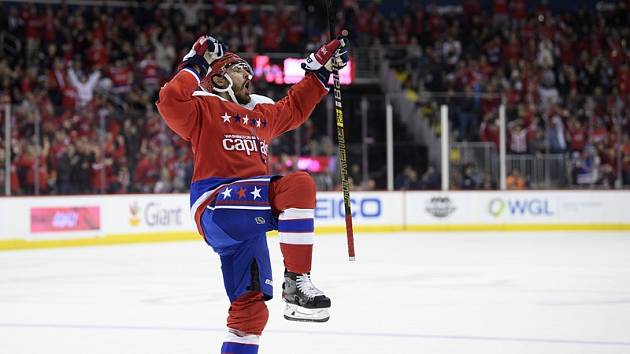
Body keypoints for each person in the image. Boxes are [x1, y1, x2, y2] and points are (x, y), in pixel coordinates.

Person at [157, 34, 349, 354]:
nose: (249, 75)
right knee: (298, 186)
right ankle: (297, 280)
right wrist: (195, 63)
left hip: (248, 217)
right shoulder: (203, 106)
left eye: (248, 69)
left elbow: (296, 107)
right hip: (216, 204)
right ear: (218, 78)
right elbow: (169, 100)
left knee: (250, 311)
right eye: (238, 69)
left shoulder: (261, 112)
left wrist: (320, 70)